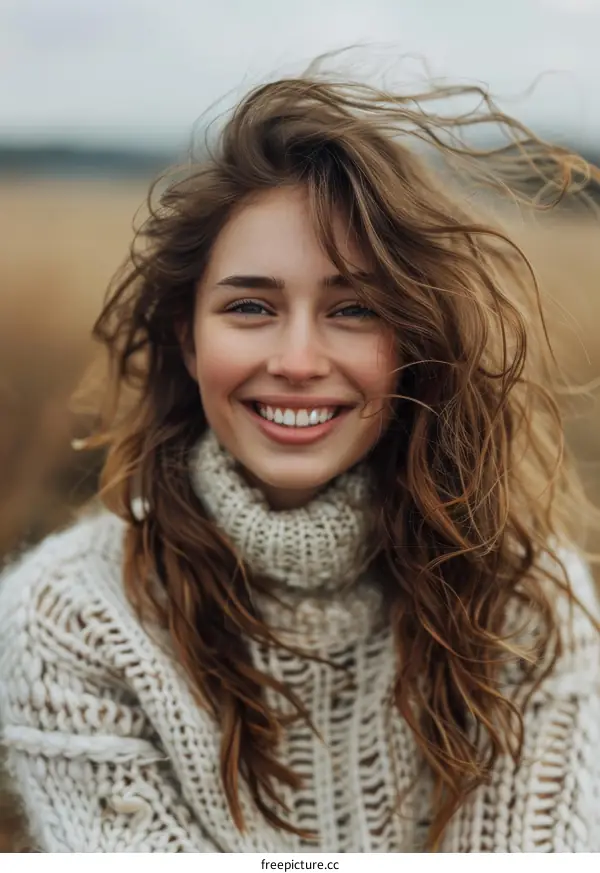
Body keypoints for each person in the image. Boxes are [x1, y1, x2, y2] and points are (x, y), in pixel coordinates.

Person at [1, 59, 600, 854]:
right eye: (250, 305)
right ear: (187, 332)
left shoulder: (528, 605)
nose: (297, 358)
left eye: (355, 309)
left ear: (415, 340)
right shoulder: (71, 620)